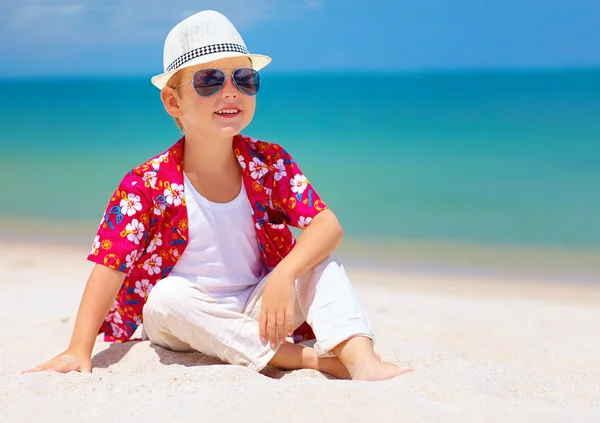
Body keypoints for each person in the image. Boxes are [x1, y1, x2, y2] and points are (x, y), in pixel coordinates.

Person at [24, 10, 412, 381]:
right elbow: (110, 265)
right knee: (164, 297)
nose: (231, 92)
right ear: (174, 102)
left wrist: (286, 274)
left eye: (244, 79)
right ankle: (311, 360)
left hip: (262, 309)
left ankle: (363, 361)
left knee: (320, 262)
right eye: (209, 81)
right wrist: (79, 348)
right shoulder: (145, 184)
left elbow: (327, 225)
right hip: (183, 319)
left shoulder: (270, 162)